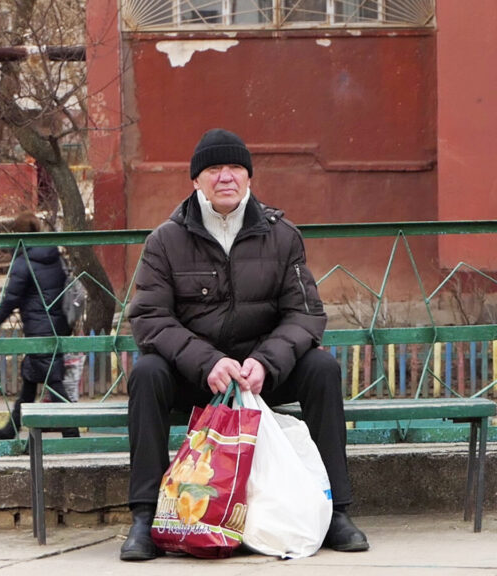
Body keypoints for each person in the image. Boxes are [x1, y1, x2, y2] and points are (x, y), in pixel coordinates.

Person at [119, 128, 369, 561]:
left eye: (235, 167)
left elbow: (305, 313)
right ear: (196, 181)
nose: (226, 177)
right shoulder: (166, 241)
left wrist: (266, 362)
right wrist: (207, 361)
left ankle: (336, 513)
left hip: (260, 377)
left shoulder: (282, 235)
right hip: (196, 378)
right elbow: (150, 318)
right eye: (213, 169)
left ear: (249, 177)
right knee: (146, 373)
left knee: (322, 370)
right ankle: (145, 516)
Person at [0, 212, 78, 440]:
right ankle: (12, 427)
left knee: (53, 381)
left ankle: (72, 432)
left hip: (40, 328)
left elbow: (10, 300)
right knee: (31, 379)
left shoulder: (24, 262)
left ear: (17, 234)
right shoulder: (54, 256)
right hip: (57, 324)